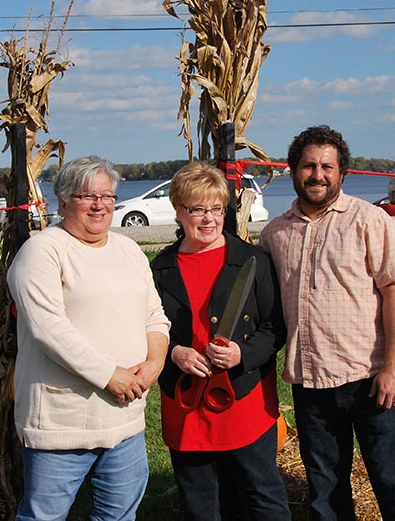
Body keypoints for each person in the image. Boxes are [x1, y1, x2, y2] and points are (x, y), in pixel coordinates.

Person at [259, 126, 395, 520]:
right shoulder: (274, 234)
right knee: (326, 492)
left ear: (341, 173)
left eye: (326, 167)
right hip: (311, 383)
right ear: (293, 170)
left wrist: (394, 368)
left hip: (369, 380)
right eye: (308, 166)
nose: (317, 175)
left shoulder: (370, 221)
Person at [7, 155, 170, 521]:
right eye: (87, 196)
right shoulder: (42, 251)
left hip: (125, 420)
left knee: (118, 517)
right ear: (63, 201)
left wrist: (155, 362)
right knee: (43, 517)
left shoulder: (127, 250)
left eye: (107, 196)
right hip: (62, 424)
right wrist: (110, 375)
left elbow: (154, 316)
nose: (99, 205)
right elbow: (49, 329)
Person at [149, 161, 291, 520]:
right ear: (178, 210)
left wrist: (243, 353)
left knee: (262, 496)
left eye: (216, 209)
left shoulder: (253, 262)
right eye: (197, 210)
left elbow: (275, 326)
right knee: (199, 502)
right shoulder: (159, 269)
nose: (209, 219)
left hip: (243, 400)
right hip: (186, 402)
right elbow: (144, 329)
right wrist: (174, 354)